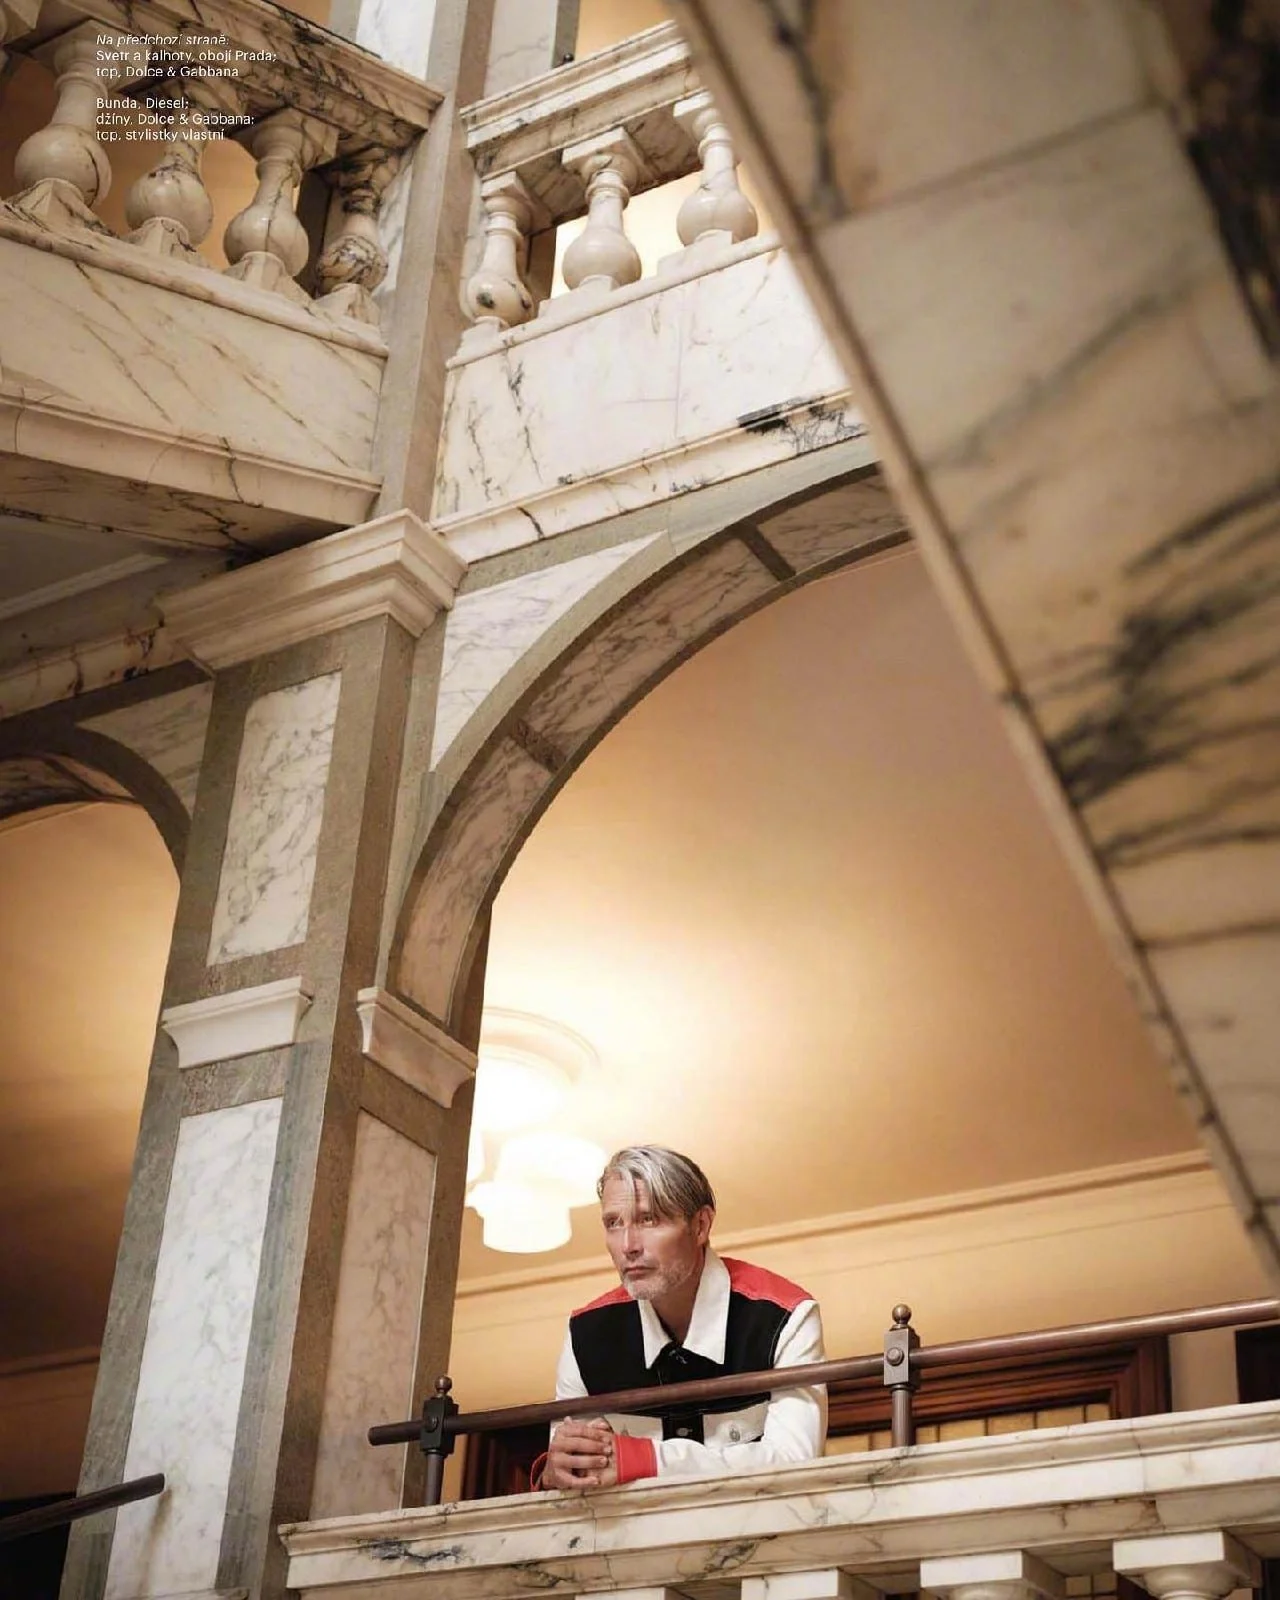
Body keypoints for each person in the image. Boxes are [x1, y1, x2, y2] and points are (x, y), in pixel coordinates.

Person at [540, 1145, 826, 1489]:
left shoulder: (785, 1316)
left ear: (700, 1225)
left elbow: (796, 1464)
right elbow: (571, 1479)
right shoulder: (586, 1335)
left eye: (648, 1219)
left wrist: (645, 1459)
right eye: (613, 1223)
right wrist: (556, 1473)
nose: (628, 1245)